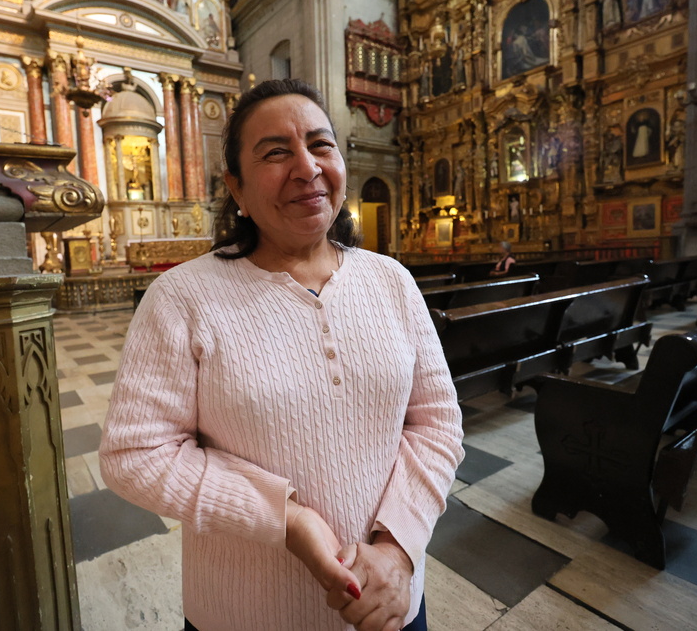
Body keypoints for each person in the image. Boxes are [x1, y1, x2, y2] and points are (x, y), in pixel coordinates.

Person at [99, 79, 465, 631]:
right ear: (236, 188)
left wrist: (397, 548)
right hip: (244, 612)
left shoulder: (391, 281)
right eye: (276, 152)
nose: (306, 167)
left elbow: (436, 425)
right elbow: (135, 454)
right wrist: (284, 519)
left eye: (321, 145)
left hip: (391, 602)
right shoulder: (182, 298)